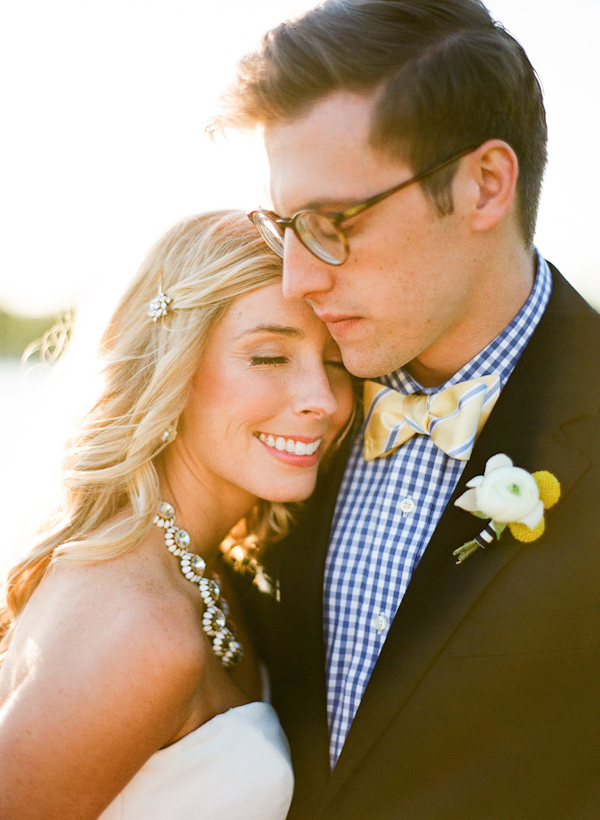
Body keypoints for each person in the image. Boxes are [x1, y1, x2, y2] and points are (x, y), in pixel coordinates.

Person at [214, 1, 600, 817]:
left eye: (332, 224)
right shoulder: (283, 408)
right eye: (286, 226)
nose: (298, 279)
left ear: (484, 185)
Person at [0, 210, 354, 820]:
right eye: (269, 358)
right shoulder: (139, 626)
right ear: (174, 365)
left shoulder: (202, 571)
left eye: (338, 362)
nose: (321, 401)